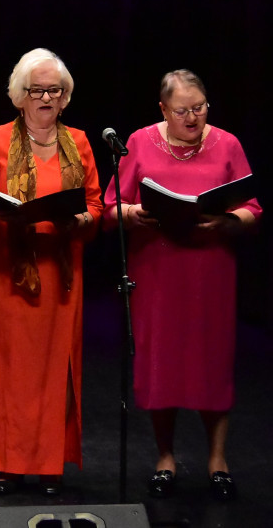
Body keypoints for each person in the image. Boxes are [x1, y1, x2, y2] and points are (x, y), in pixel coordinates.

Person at [103, 70, 260, 501]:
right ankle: (165, 457)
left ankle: (217, 460)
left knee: (211, 361)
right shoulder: (137, 141)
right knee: (163, 363)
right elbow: (111, 206)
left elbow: (253, 207)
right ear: (162, 109)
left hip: (210, 269)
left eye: (200, 108)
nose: (193, 118)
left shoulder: (228, 143)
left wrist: (228, 219)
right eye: (182, 111)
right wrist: (134, 213)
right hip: (157, 268)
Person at [0, 48, 101, 497]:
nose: (45, 97)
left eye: (54, 91)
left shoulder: (78, 142)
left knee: (54, 366)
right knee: (10, 368)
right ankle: (9, 463)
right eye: (36, 90)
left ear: (65, 99)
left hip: (60, 273)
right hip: (9, 271)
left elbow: (96, 204)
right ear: (19, 96)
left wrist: (82, 220)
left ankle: (48, 464)